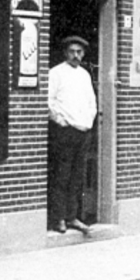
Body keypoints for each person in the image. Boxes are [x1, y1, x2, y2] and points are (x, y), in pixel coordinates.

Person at [48, 35, 97, 235]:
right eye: (72, 52)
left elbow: (91, 101)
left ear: (83, 54)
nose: (76, 55)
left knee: (77, 177)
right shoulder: (56, 73)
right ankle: (58, 218)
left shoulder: (84, 75)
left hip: (83, 132)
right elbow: (48, 101)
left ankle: (72, 217)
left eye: (79, 52)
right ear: (65, 53)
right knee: (62, 175)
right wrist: (60, 120)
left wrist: (89, 121)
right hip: (65, 133)